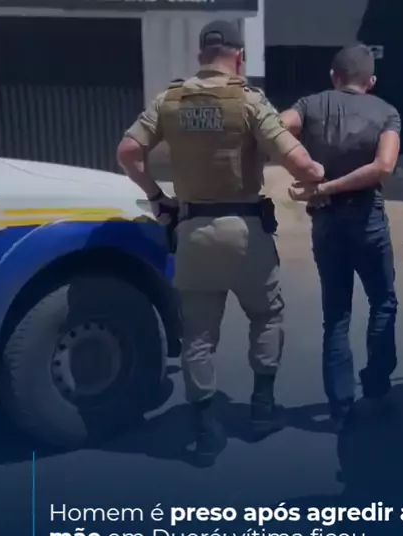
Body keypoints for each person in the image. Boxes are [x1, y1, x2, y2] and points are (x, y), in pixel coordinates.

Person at [117, 20, 324, 465]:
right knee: (266, 316)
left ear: (200, 56)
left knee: (198, 335)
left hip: (193, 231)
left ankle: (206, 430)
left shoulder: (170, 100)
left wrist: (156, 196)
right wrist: (317, 176)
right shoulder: (249, 100)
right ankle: (262, 409)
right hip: (246, 233)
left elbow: (128, 152)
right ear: (240, 57)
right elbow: (300, 163)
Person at [281, 44, 401, 432]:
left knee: (336, 315)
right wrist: (329, 186)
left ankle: (341, 408)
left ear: (334, 76)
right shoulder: (386, 112)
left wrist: (309, 175)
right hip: (367, 220)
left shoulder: (310, 105)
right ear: (371, 81)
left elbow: (274, 128)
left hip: (326, 221)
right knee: (383, 302)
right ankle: (377, 390)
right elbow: (384, 166)